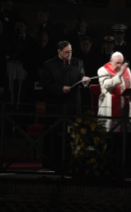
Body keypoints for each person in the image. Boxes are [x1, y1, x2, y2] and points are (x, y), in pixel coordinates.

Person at [41, 40, 90, 171]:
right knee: (55, 135)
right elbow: (46, 85)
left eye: (71, 52)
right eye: (66, 52)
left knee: (72, 136)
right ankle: (52, 163)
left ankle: (71, 163)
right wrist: (60, 89)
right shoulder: (49, 65)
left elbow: (81, 78)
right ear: (59, 51)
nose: (69, 54)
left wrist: (85, 81)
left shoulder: (78, 63)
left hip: (73, 105)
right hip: (56, 105)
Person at [97, 51, 131, 132]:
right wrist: (120, 74)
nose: (119, 66)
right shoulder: (103, 70)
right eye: (117, 63)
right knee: (111, 135)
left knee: (125, 135)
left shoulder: (127, 70)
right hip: (110, 107)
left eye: (121, 63)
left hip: (125, 108)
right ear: (111, 61)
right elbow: (106, 85)